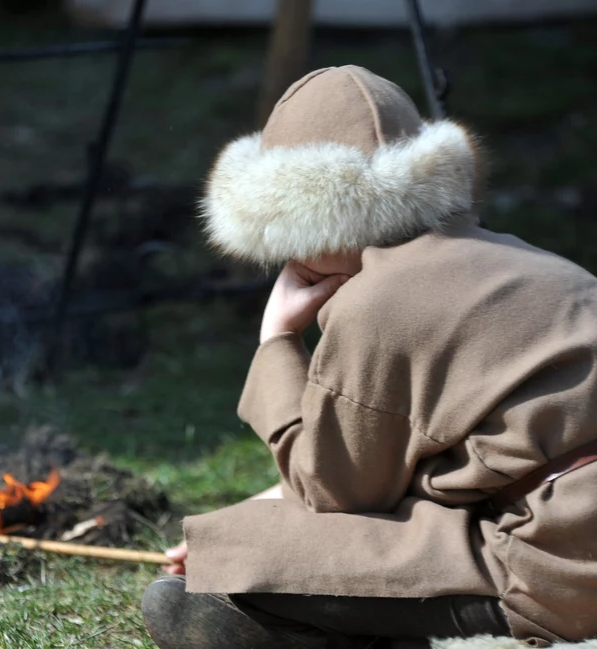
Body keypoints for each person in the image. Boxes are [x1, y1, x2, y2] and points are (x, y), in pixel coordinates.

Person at [141, 65, 597, 649]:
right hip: (566, 526)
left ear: (305, 217)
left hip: (565, 570)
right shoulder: (532, 262)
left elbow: (339, 497)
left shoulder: (377, 302)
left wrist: (276, 341)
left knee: (225, 565)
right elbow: (439, 456)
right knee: (237, 538)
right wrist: (268, 505)